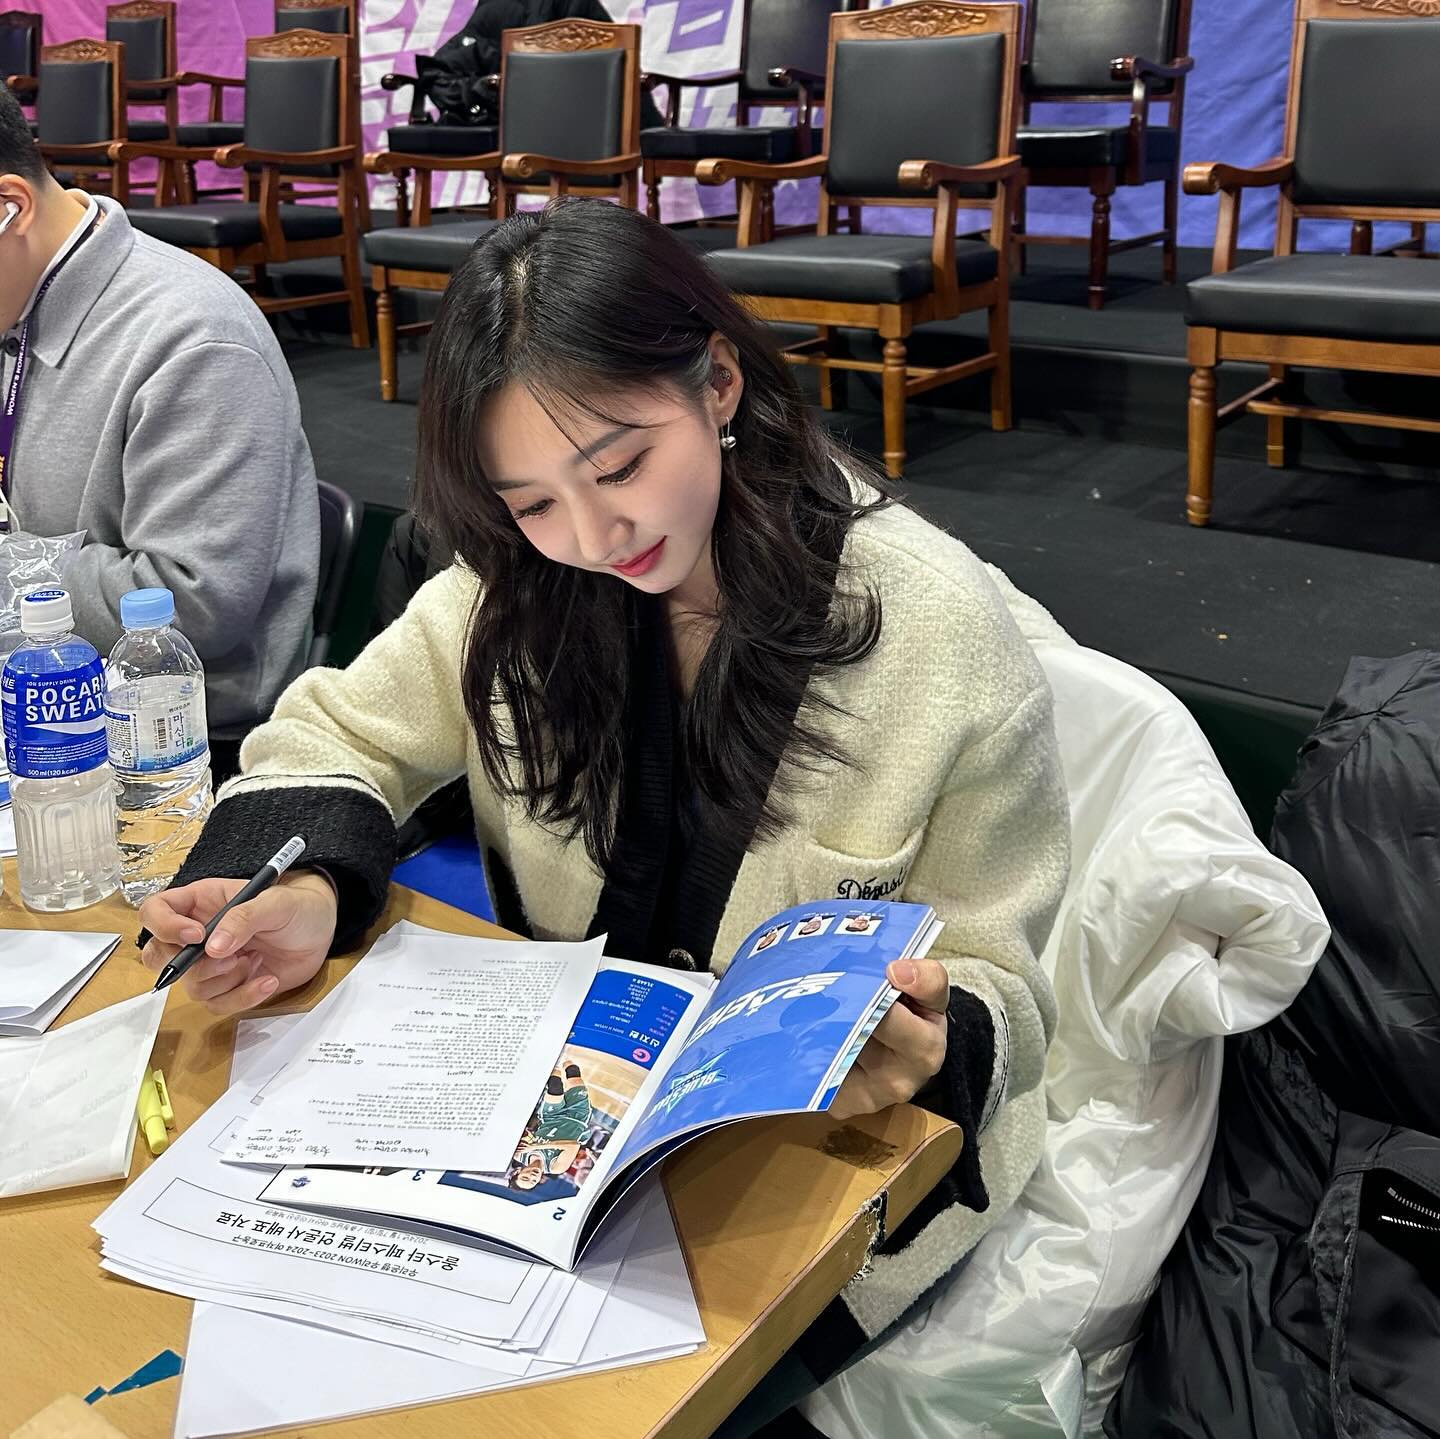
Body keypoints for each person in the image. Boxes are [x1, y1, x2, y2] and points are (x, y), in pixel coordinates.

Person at [138, 198, 1070, 1426]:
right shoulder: (516, 586)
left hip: (811, 1169)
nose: (592, 535)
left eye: (621, 466)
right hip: (550, 1116)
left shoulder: (936, 634)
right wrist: (309, 886)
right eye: (530, 500)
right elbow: (339, 733)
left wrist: (936, 1039)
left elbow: (1004, 970)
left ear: (719, 382)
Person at [0, 86, 320, 777]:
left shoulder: (194, 340)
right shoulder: (14, 296)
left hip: (170, 741)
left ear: (11, 208)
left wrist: (9, 575)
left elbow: (191, 605)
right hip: (34, 692)